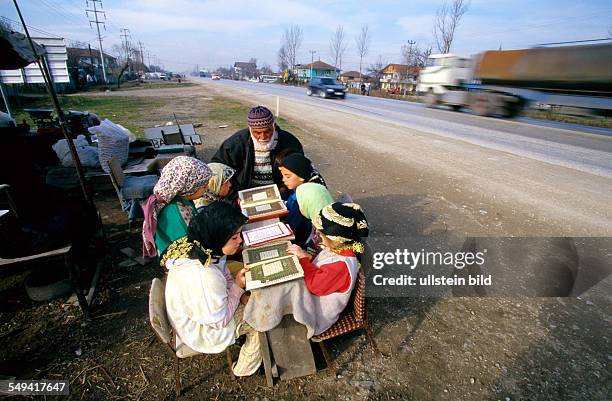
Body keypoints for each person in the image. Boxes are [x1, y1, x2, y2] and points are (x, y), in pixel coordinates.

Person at [163, 202, 262, 376]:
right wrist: (238, 289)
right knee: (261, 320)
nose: (240, 241)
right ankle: (244, 369)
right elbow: (219, 321)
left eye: (239, 234)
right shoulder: (205, 275)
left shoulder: (200, 245)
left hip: (197, 309)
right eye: (234, 237)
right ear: (218, 236)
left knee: (237, 269)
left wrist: (238, 291)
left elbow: (223, 270)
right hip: (203, 330)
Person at [286, 202, 369, 335]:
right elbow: (324, 268)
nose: (318, 236)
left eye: (321, 235)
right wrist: (309, 258)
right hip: (313, 298)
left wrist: (302, 258)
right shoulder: (338, 249)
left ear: (335, 239)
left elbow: (314, 285)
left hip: (317, 314)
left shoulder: (342, 266)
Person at [211, 105, 303, 198]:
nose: (263, 137)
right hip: (244, 194)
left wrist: (284, 188)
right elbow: (217, 172)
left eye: (267, 131)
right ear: (250, 129)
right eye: (257, 133)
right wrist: (235, 196)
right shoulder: (235, 144)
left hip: (280, 193)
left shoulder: (289, 142)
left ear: (274, 126)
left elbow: (301, 169)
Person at [141, 156, 212, 258]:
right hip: (183, 261)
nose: (207, 188)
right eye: (204, 186)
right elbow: (189, 248)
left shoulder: (182, 199)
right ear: (189, 188)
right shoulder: (175, 212)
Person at [277, 153, 326, 246]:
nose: (283, 180)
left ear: (301, 176)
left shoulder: (304, 198)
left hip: (304, 240)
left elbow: (293, 228)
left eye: (288, 176)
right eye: (283, 176)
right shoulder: (302, 185)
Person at [295, 182, 334, 250]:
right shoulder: (334, 218)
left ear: (308, 205)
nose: (300, 208)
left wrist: (307, 255)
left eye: (301, 204)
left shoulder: (323, 232)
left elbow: (326, 254)